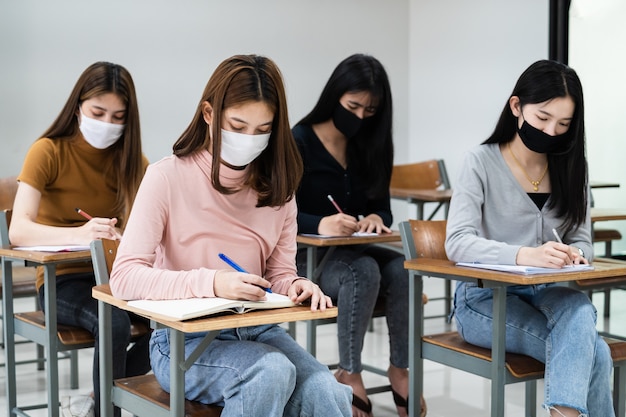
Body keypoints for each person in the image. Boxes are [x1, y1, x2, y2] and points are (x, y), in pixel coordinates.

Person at [109, 54, 352, 417]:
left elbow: (279, 275)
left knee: (326, 391)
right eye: (237, 126)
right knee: (269, 372)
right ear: (209, 114)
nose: (249, 140)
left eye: (262, 130)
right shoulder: (166, 177)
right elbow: (125, 277)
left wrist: (296, 285)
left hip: (259, 331)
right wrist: (214, 282)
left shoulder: (279, 189)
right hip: (182, 342)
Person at [445, 59, 614, 417]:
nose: (552, 131)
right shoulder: (480, 161)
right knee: (594, 352)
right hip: (485, 300)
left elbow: (583, 241)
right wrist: (524, 254)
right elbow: (457, 241)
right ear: (517, 107)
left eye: (564, 124)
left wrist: (574, 254)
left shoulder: (571, 169)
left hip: (550, 294)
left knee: (580, 310)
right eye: (543, 118)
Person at [9, 61, 151, 417]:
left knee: (171, 325)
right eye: (98, 112)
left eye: (119, 117)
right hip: (62, 283)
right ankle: (107, 412)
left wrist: (126, 235)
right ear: (78, 108)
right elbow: (19, 229)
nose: (108, 124)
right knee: (114, 322)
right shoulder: (48, 151)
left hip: (115, 278)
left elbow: (149, 228)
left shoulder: (133, 161)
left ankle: (95, 400)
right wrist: (81, 234)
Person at [292, 53, 427, 417]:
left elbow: (383, 208)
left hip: (355, 249)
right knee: (362, 270)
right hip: (308, 256)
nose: (361, 117)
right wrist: (319, 224)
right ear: (334, 96)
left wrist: (372, 217)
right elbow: (277, 213)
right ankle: (349, 372)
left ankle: (400, 368)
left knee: (403, 268)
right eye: (353, 106)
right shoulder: (299, 141)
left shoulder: (372, 143)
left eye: (370, 110)